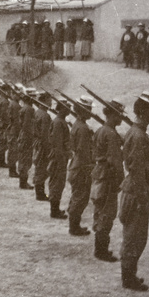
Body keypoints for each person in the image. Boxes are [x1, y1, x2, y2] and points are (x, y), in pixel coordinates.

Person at [119, 91, 149, 291]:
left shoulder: (139, 133)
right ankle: (128, 278)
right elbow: (136, 171)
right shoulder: (138, 136)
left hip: (139, 190)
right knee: (133, 237)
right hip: (137, 192)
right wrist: (142, 198)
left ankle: (130, 274)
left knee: (138, 236)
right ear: (143, 111)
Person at [91, 99, 125, 262]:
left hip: (100, 174)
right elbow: (116, 161)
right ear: (111, 114)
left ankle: (100, 247)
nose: (121, 118)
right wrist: (121, 181)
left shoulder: (101, 130)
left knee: (100, 210)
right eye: (119, 115)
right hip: (108, 177)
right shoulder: (110, 134)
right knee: (107, 213)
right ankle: (101, 250)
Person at [67, 96, 94, 235]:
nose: (90, 112)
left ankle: (74, 225)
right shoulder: (83, 128)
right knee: (80, 197)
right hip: (81, 167)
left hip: (76, 165)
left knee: (77, 196)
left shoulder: (78, 124)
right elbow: (84, 151)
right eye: (88, 109)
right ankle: (74, 227)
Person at [48, 98, 71, 219]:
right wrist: (61, 160)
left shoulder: (61, 121)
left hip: (60, 158)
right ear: (61, 109)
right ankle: (54, 211)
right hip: (58, 159)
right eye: (67, 107)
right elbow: (57, 144)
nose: (70, 109)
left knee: (58, 183)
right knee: (56, 183)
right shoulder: (58, 122)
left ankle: (55, 209)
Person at [32, 92, 53, 200]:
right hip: (42, 145)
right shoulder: (45, 115)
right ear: (45, 101)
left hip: (37, 143)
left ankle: (39, 192)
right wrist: (48, 149)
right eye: (50, 100)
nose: (51, 102)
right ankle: (40, 193)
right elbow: (45, 135)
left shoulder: (38, 112)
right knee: (42, 168)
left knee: (39, 167)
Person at [17, 89, 37, 190]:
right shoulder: (29, 109)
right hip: (26, 138)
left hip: (23, 137)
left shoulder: (25, 108)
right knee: (25, 160)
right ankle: (23, 183)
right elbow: (27, 126)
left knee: (23, 159)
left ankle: (23, 182)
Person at [6, 87, 22, 178]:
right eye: (17, 95)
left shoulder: (12, 104)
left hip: (12, 130)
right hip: (14, 131)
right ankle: (12, 171)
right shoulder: (16, 106)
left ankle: (12, 170)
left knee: (12, 151)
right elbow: (17, 121)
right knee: (13, 151)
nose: (19, 96)